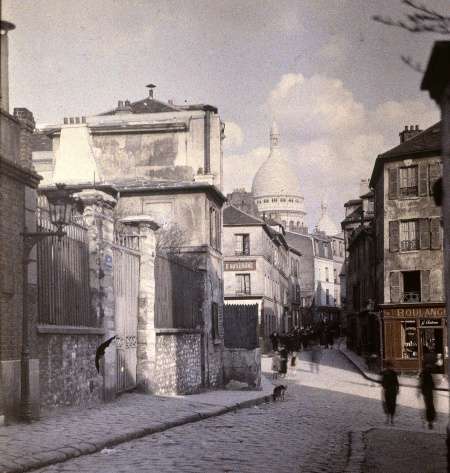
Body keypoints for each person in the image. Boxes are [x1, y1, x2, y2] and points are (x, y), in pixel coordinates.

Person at [381, 360, 399, 425]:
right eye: (389, 366)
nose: (390, 367)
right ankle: (388, 419)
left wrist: (397, 389)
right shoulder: (385, 373)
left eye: (390, 366)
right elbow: (382, 382)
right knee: (388, 404)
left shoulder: (393, 373)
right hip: (388, 390)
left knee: (392, 404)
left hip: (392, 390)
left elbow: (397, 382)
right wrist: (384, 387)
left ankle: (391, 419)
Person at [419, 364, 436, 429]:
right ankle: (430, 422)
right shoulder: (428, 375)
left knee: (428, 406)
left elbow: (421, 382)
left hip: (425, 393)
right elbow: (432, 385)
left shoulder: (423, 374)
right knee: (430, 406)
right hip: (428, 393)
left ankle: (429, 421)